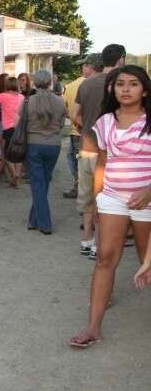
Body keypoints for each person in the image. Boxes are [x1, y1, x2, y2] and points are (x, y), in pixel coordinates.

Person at [69, 65, 151, 348]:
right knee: (105, 259)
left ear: (145, 90)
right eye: (120, 84)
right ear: (112, 89)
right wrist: (97, 201)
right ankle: (93, 328)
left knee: (146, 260)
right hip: (112, 198)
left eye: (133, 84)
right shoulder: (105, 121)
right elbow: (102, 163)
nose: (126, 89)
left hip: (146, 200)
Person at [71, 44, 126, 258]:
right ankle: (99, 244)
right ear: (120, 59)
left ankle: (86, 240)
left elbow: (74, 115)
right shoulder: (120, 84)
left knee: (86, 196)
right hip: (110, 152)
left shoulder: (86, 84)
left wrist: (86, 128)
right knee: (105, 198)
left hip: (87, 147)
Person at [24, 69, 67, 234]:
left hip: (33, 144)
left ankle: (45, 224)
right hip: (54, 145)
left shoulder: (28, 102)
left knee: (38, 183)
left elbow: (17, 123)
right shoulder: (60, 101)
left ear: (34, 83)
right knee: (43, 182)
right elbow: (62, 124)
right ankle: (33, 220)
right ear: (50, 83)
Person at [62, 54, 103, 199]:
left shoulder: (74, 85)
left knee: (77, 163)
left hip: (80, 132)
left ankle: (79, 188)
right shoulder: (111, 83)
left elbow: (70, 112)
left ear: (89, 67)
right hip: (101, 135)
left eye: (84, 65)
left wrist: (84, 125)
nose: (82, 68)